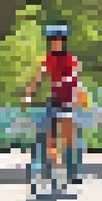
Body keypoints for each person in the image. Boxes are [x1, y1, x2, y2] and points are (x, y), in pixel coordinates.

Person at [23, 24, 83, 187]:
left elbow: (75, 75)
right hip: (54, 101)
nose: (55, 43)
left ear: (63, 42)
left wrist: (65, 80)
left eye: (58, 40)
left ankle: (73, 172)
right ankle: (48, 170)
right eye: (52, 40)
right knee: (48, 135)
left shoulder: (70, 59)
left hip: (68, 102)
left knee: (70, 139)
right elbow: (40, 75)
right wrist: (29, 93)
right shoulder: (49, 58)